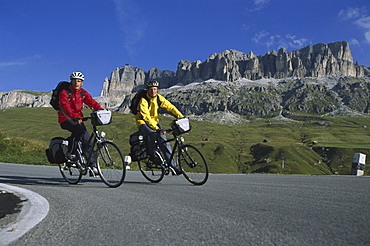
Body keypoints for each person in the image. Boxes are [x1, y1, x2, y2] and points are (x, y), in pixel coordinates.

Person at [58, 71, 104, 175]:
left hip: (78, 119)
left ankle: (93, 165)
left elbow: (92, 102)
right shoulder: (65, 92)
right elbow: (65, 106)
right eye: (74, 81)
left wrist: (101, 110)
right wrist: (73, 116)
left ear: (82, 83)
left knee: (87, 141)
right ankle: (71, 153)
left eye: (79, 81)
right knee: (78, 130)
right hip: (65, 118)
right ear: (71, 82)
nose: (76, 83)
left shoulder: (83, 93)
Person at [136, 80, 184, 175]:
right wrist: (156, 129)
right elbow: (146, 117)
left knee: (165, 142)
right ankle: (153, 156)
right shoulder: (143, 101)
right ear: (147, 90)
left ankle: (172, 166)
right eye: (151, 89)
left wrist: (181, 117)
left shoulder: (158, 98)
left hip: (155, 122)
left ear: (157, 90)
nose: (153, 91)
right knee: (153, 135)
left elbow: (170, 107)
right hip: (143, 122)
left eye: (155, 89)